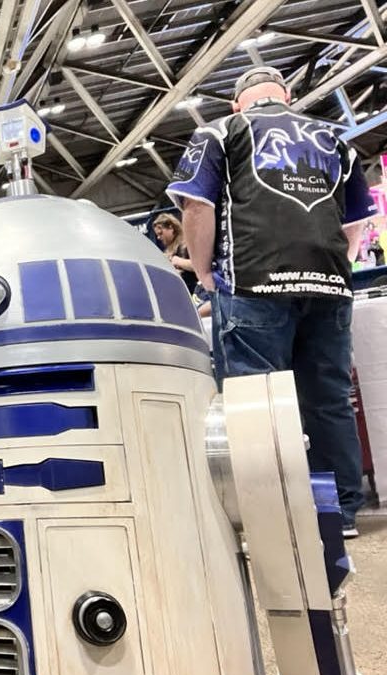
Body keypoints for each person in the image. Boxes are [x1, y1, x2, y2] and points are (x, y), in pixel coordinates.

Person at [166, 66, 377, 539]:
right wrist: (335, 266)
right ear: (286, 95)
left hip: (253, 285)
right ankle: (339, 512)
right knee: (328, 401)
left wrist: (202, 272)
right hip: (328, 288)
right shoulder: (333, 139)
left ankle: (273, 517)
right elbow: (357, 221)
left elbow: (195, 206)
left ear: (237, 102)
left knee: (256, 406)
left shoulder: (220, 131)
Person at [153, 212, 198, 291]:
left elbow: (199, 266)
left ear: (171, 227)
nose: (159, 237)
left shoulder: (187, 243)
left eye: (161, 233)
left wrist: (177, 261)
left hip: (195, 292)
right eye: (157, 235)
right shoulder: (168, 251)